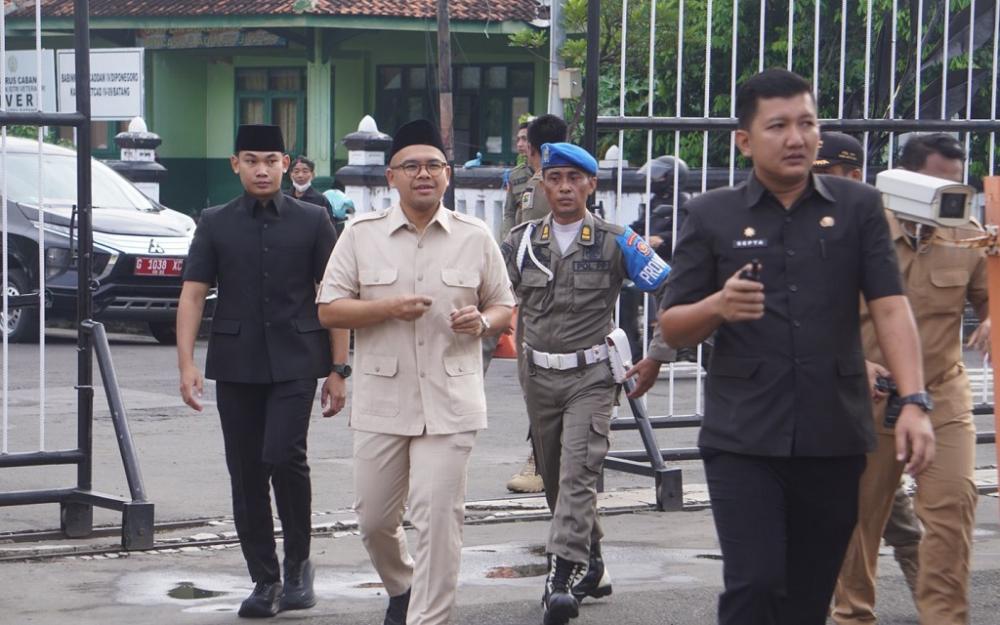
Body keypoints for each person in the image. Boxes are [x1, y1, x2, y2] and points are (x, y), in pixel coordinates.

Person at [658, 69, 934, 625]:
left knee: (808, 597)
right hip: (743, 438)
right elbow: (673, 325)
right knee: (756, 584)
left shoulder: (859, 207)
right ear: (744, 139)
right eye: (778, 125)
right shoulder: (712, 214)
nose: (796, 138)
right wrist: (717, 307)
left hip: (833, 433)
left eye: (806, 123)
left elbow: (889, 306)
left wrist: (914, 401)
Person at [316, 119, 515, 625]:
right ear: (391, 176)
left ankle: (429, 619)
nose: (423, 174)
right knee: (375, 520)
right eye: (411, 166)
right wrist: (385, 309)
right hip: (384, 401)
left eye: (433, 166)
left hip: (451, 401)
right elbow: (330, 308)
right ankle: (402, 585)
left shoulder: (475, 236)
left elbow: (503, 306)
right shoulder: (360, 236)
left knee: (438, 521)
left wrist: (482, 321)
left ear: (448, 176)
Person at [176, 124, 349, 618]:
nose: (261, 168)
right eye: (251, 159)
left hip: (298, 359)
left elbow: (333, 295)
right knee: (246, 470)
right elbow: (192, 293)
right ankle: (265, 579)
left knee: (283, 454)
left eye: (271, 159)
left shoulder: (314, 220)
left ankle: (298, 564)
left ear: (286, 163)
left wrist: (339, 368)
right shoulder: (214, 221)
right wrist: (186, 362)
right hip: (236, 362)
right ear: (235, 164)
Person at [501, 142, 670, 625]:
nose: (565, 188)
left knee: (578, 475)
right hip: (539, 377)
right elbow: (493, 292)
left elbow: (670, 287)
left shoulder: (617, 241)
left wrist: (658, 354)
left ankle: (560, 578)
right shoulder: (521, 241)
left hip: (592, 378)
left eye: (575, 179)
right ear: (543, 184)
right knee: (556, 482)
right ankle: (591, 561)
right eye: (555, 179)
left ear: (591, 185)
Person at [833, 133, 988, 625]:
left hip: (942, 393)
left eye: (955, 186)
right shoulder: (858, 231)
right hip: (868, 397)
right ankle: (852, 616)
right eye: (936, 183)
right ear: (902, 181)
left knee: (953, 508)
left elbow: (990, 301)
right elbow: (814, 311)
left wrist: (992, 318)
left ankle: (945, 618)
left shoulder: (970, 233)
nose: (949, 198)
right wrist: (854, 361)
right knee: (857, 522)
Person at [813, 131, 923, 596]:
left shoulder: (874, 233)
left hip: (876, 407)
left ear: (853, 176)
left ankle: (934, 603)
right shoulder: (810, 231)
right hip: (826, 402)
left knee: (877, 514)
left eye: (824, 176)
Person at [501, 114, 569, 495]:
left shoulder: (555, 182)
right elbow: (513, 229)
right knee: (535, 378)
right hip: (532, 292)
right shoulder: (522, 180)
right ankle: (547, 458)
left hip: (557, 293)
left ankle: (542, 459)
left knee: (545, 380)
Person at [500, 119, 535, 238]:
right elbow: (509, 213)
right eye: (518, 139)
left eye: (524, 139)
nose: (519, 144)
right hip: (520, 238)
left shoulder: (550, 174)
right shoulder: (515, 175)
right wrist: (507, 240)